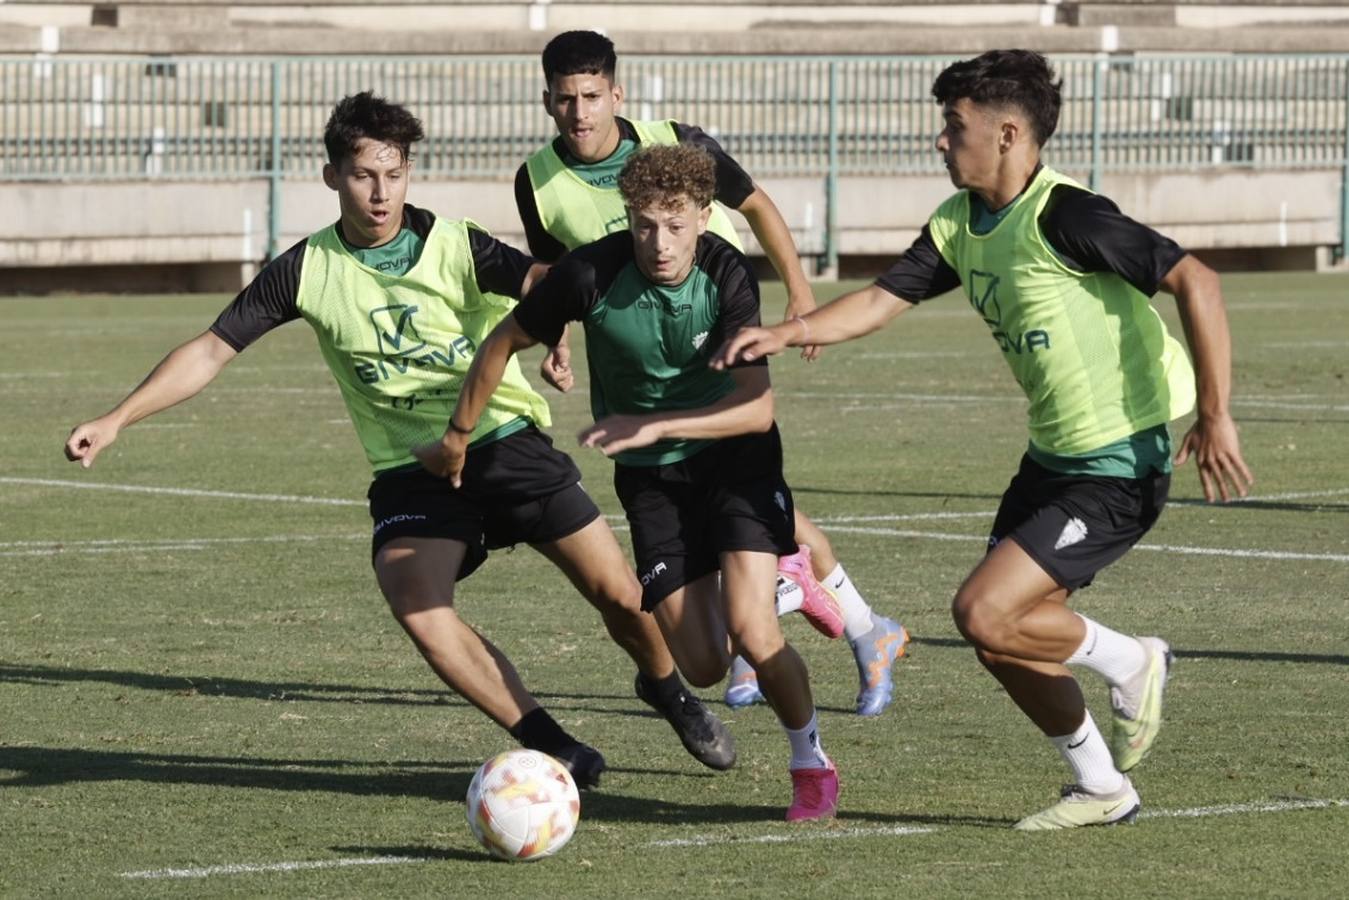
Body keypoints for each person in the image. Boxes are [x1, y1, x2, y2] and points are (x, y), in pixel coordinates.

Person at [63, 91, 737, 789]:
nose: (381, 192)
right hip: (410, 468)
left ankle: (667, 691)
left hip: (503, 440)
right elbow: (210, 350)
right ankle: (553, 743)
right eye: (363, 175)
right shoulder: (306, 269)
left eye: (394, 173)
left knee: (621, 599)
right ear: (332, 177)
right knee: (415, 601)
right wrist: (116, 418)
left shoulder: (454, 242)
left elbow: (543, 280)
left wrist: (555, 335)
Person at [715, 50, 1254, 829]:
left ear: (1006, 134)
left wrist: (1215, 412)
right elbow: (880, 299)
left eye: (952, 125)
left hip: (1117, 461)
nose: (940, 140)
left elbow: (1195, 280)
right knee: (1006, 646)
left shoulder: (1065, 214)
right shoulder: (958, 224)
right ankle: (1101, 787)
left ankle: (1134, 660)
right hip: (1050, 458)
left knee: (980, 611)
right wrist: (789, 331)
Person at [420, 143, 841, 821]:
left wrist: (656, 427)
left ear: (704, 218)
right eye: (644, 224)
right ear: (627, 218)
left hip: (736, 458)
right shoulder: (590, 271)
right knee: (702, 665)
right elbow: (500, 343)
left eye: (675, 225)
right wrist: (457, 437)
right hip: (651, 484)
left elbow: (755, 407)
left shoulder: (726, 272)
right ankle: (784, 578)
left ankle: (810, 762)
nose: (659, 242)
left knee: (754, 632)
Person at [516, 29, 908, 717]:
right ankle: (845, 622)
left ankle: (831, 621)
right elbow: (559, 275)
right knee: (741, 518)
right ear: (545, 100)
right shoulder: (536, 181)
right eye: (563, 100)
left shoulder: (675, 141)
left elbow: (753, 204)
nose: (578, 114)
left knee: (750, 494)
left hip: (717, 333)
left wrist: (800, 295)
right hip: (639, 352)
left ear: (616, 92)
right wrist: (559, 340)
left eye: (590, 97)